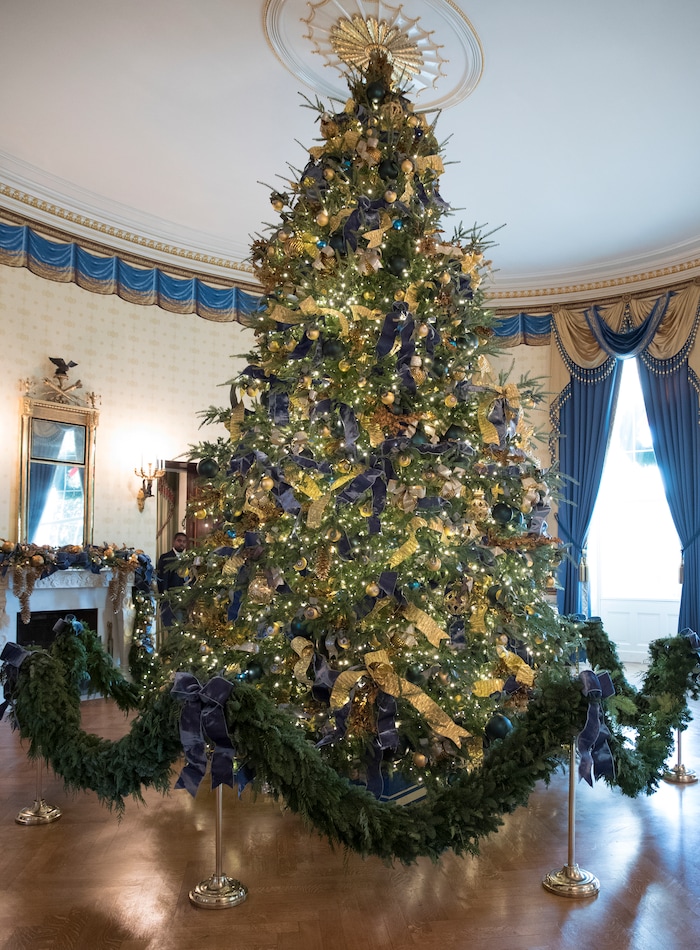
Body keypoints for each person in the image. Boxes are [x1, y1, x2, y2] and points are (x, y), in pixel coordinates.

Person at [156, 532, 188, 627]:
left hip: (186, 599)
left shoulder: (188, 559)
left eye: (184, 542)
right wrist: (164, 598)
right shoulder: (165, 557)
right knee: (174, 628)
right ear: (174, 542)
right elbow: (162, 578)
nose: (182, 543)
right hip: (171, 599)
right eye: (179, 541)